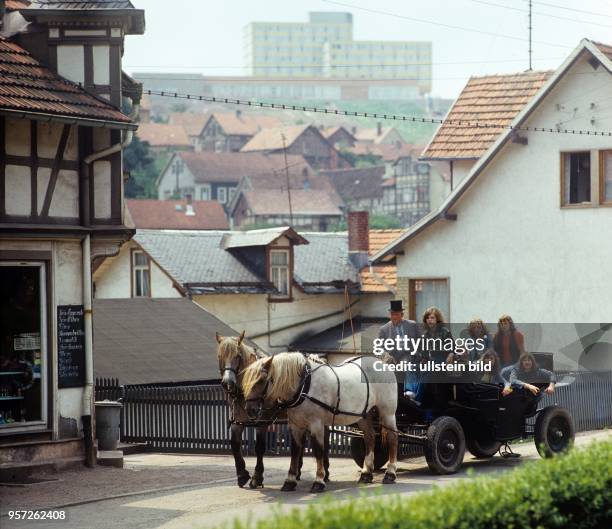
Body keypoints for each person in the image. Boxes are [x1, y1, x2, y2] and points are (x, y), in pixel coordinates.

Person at [377, 300, 419, 400]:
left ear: (402, 314)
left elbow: (421, 341)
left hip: (409, 355)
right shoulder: (384, 329)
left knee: (405, 363)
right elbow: (378, 348)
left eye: (396, 314)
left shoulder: (412, 325)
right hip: (392, 358)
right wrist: (387, 357)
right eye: (392, 314)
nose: (394, 316)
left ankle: (409, 392)